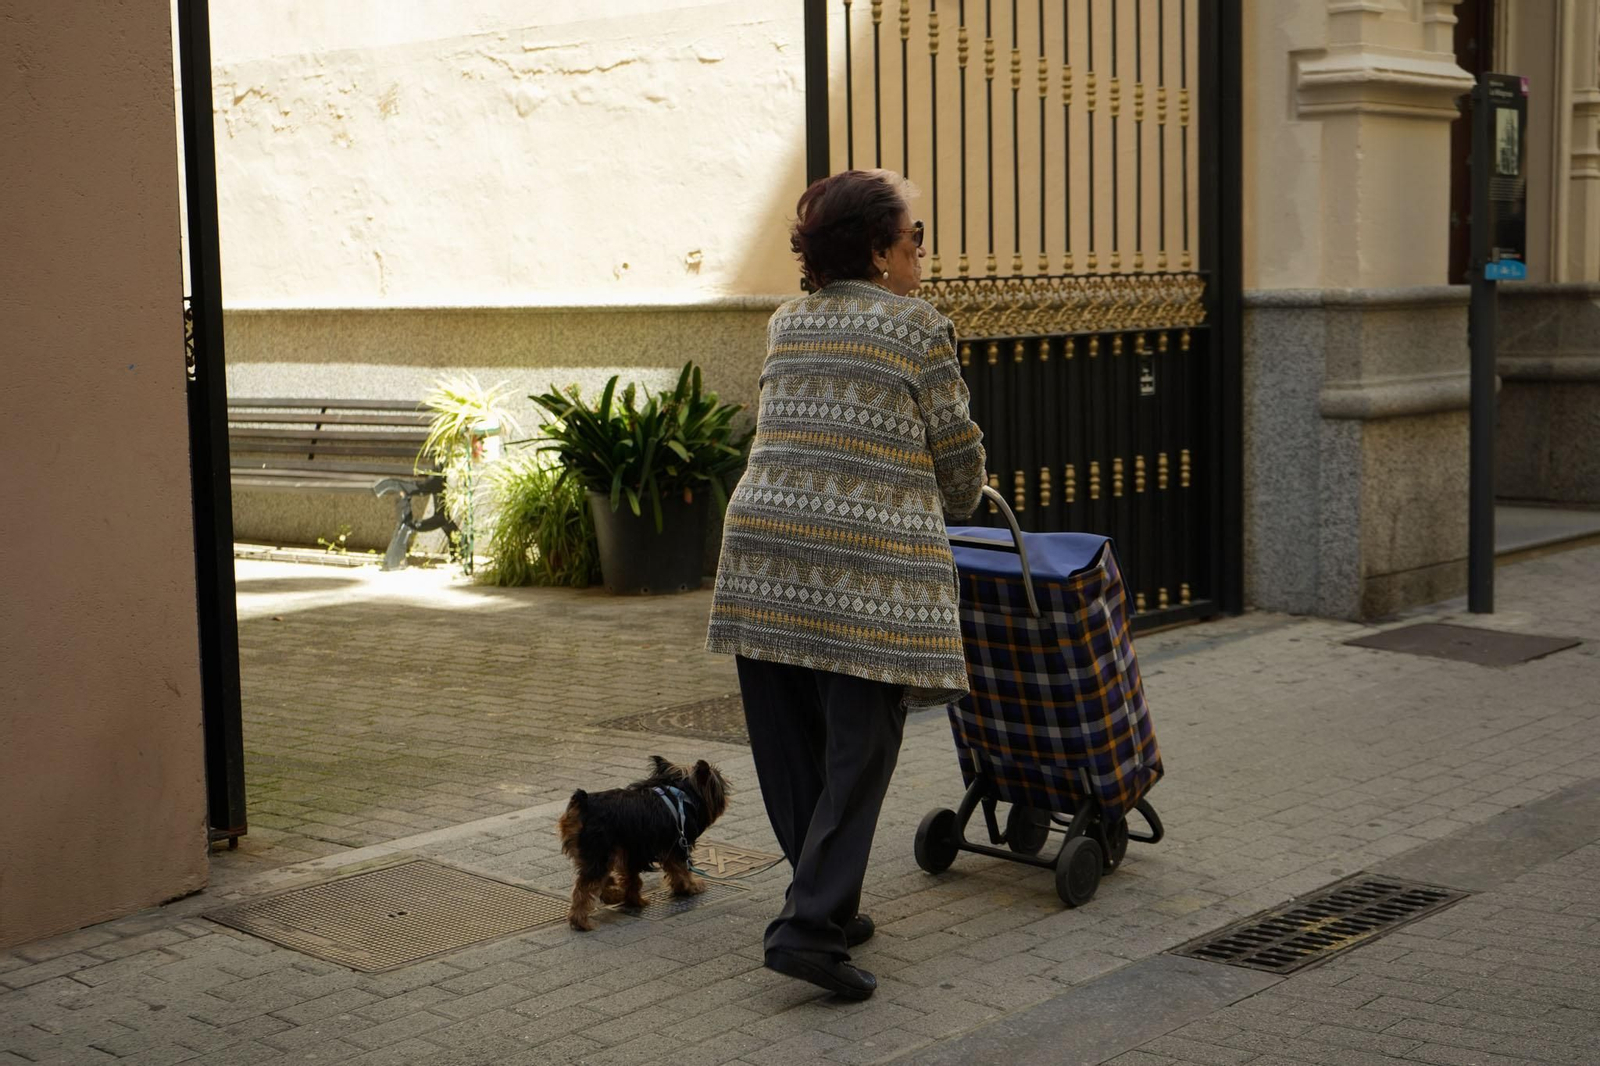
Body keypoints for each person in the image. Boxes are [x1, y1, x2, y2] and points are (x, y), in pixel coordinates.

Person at [705, 169, 987, 1000]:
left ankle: (822, 901)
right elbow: (960, 470)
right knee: (859, 752)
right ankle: (807, 931)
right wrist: (959, 491)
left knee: (793, 750)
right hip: (861, 577)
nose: (921, 253)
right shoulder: (920, 329)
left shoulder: (787, 321)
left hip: (761, 558)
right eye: (915, 238)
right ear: (878, 248)